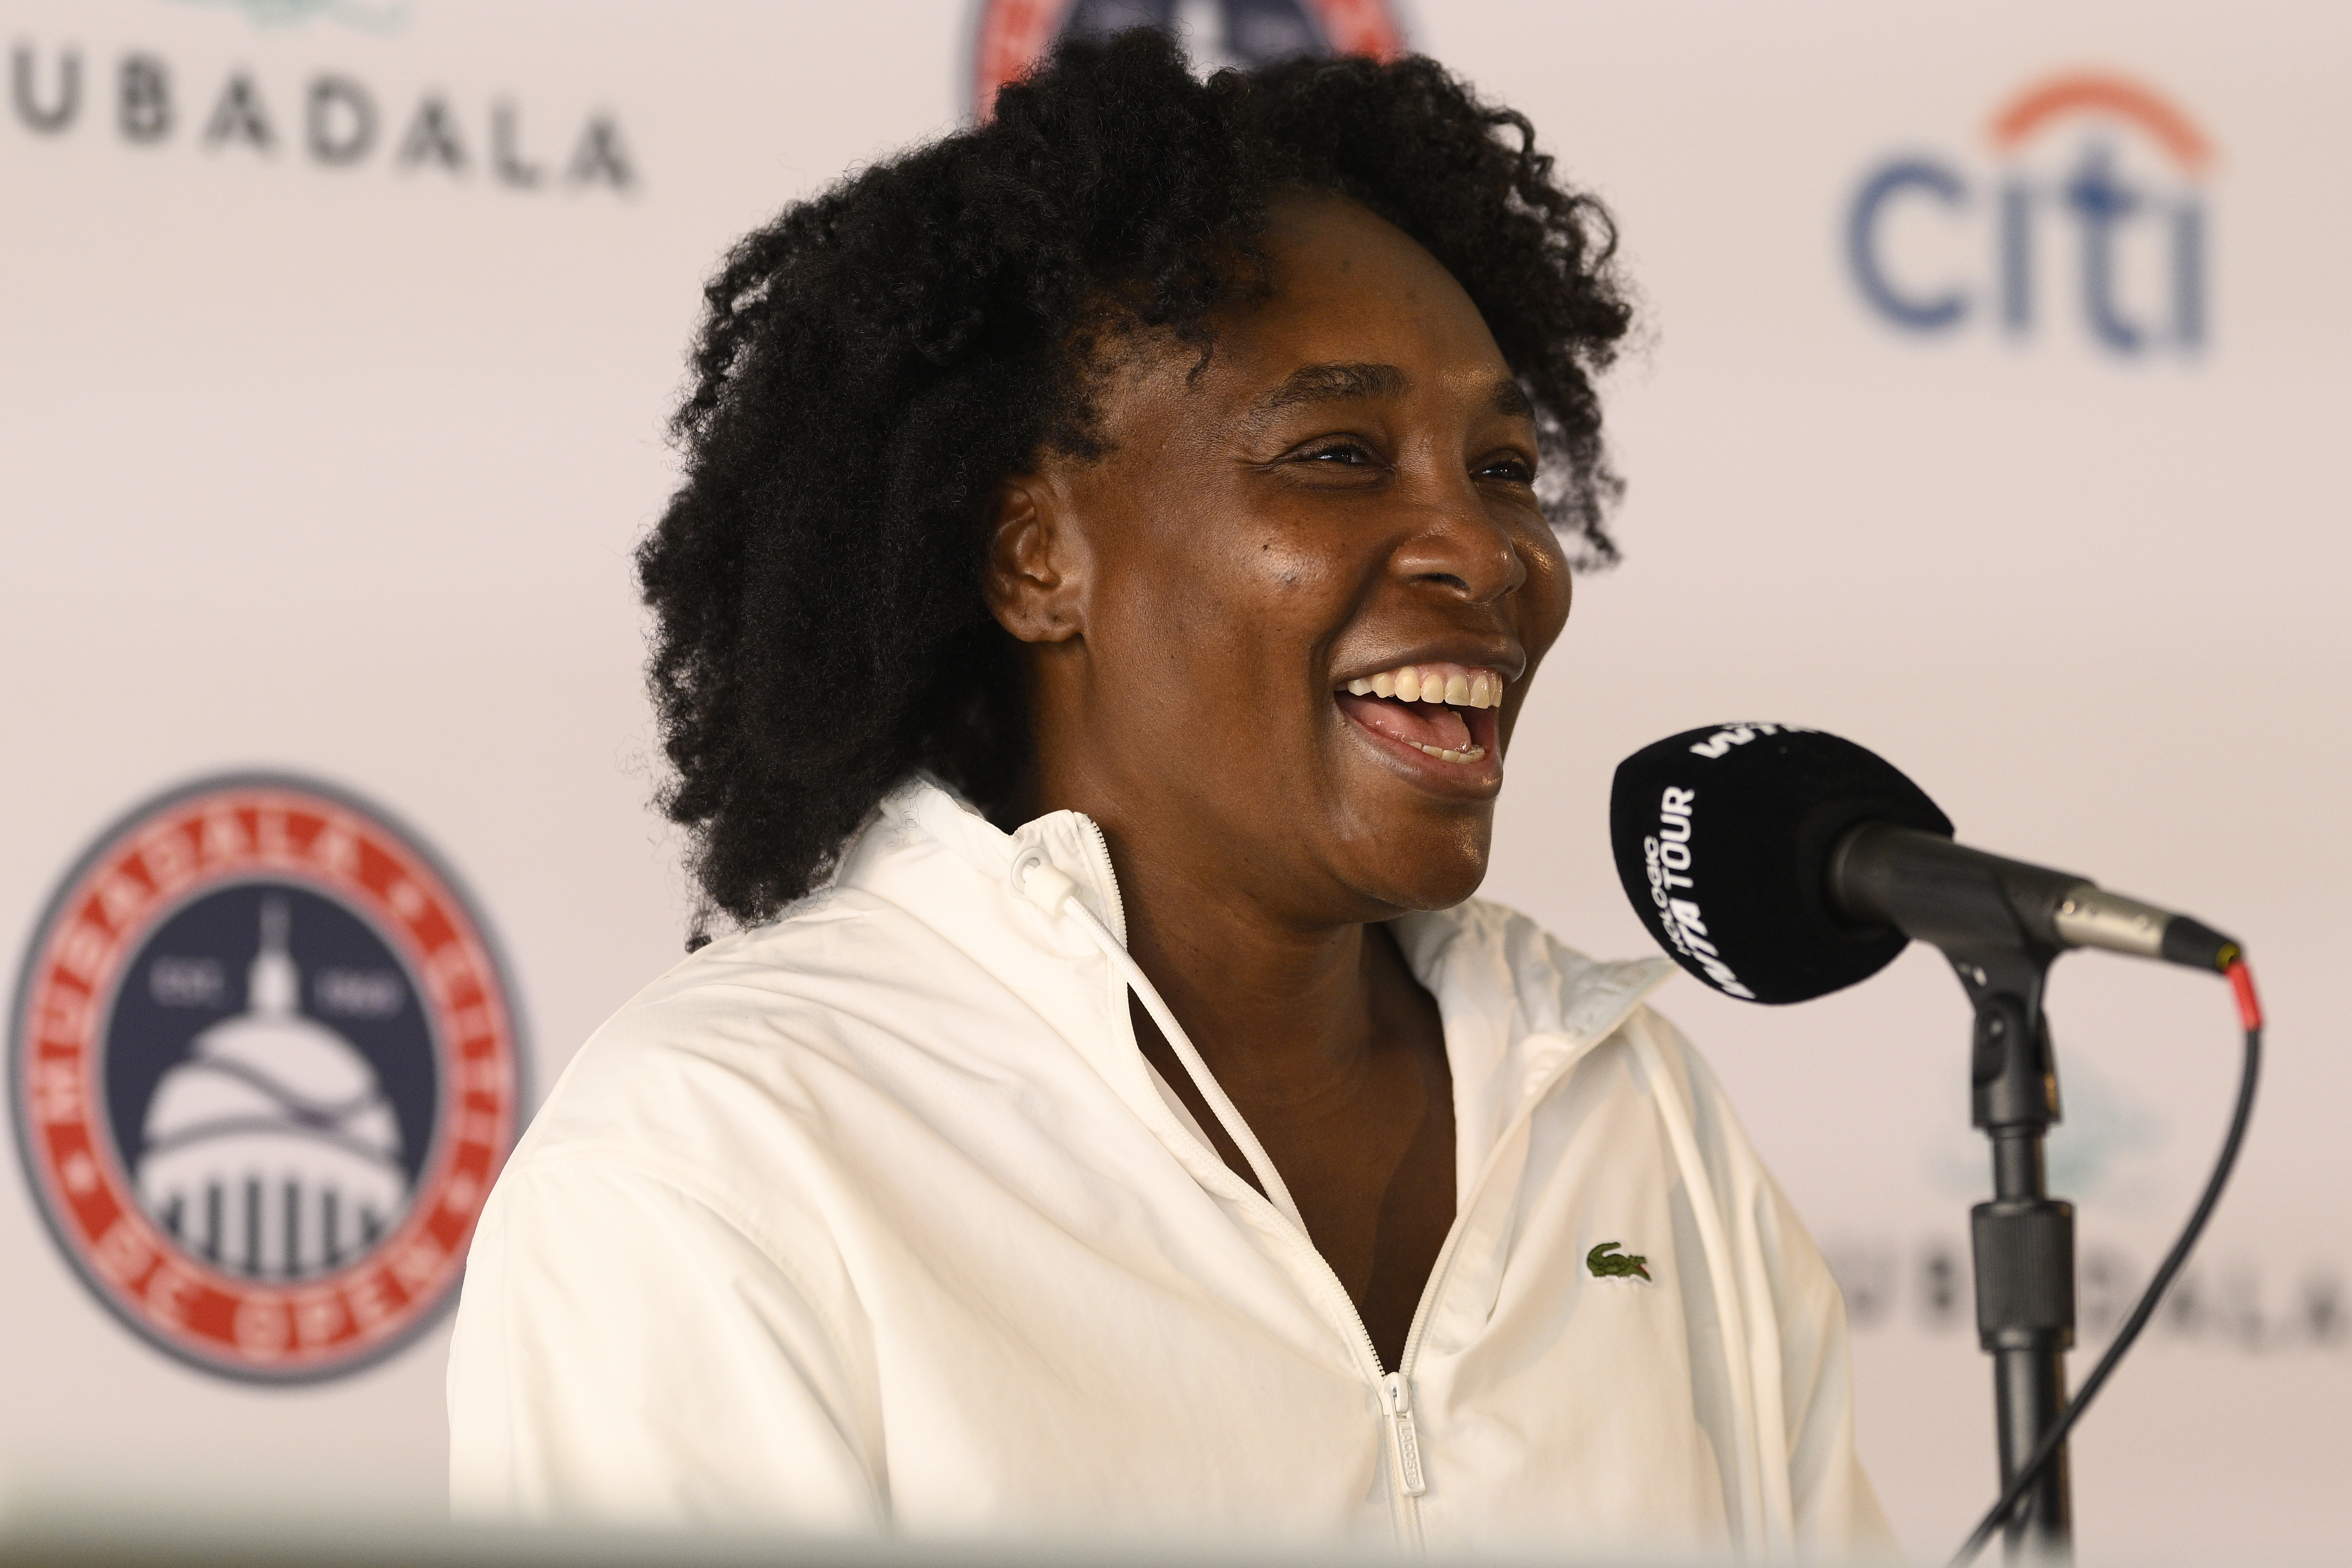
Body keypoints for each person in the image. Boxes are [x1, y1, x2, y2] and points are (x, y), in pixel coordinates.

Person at [447, 30, 1892, 1558]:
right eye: (1338, 454)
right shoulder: (726, 1147)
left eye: (1504, 469)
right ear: (1035, 559)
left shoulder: (1633, 1109)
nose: (1485, 552)